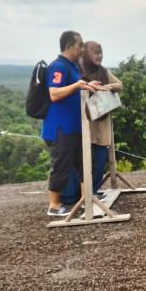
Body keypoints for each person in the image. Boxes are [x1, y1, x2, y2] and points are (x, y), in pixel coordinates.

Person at [42, 31, 100, 216]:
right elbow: (54, 93)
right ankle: (54, 206)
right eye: (79, 45)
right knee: (61, 166)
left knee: (84, 164)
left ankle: (86, 200)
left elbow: (76, 89)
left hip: (75, 126)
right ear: (68, 46)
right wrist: (77, 85)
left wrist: (89, 86)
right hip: (61, 127)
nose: (82, 49)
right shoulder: (58, 66)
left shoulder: (72, 66)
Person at [59, 41, 123, 206]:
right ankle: (74, 198)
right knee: (79, 162)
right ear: (86, 54)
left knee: (100, 159)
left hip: (100, 126)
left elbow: (119, 85)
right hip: (83, 126)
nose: (99, 56)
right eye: (95, 53)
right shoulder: (76, 72)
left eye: (101, 53)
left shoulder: (102, 72)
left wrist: (107, 86)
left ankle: (93, 192)